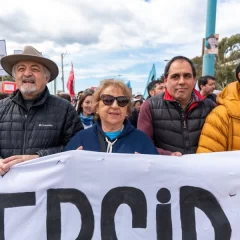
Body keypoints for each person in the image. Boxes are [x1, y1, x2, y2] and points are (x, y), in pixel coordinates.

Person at [0, 46, 83, 175]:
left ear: (46, 78)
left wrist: (40, 158)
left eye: (35, 69)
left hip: (49, 191)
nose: (27, 74)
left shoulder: (65, 109)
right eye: (21, 69)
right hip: (6, 192)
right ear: (15, 77)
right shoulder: (1, 107)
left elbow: (77, 149)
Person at [138, 56, 215, 156]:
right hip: (165, 169)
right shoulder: (149, 107)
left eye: (187, 76)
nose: (182, 81)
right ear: (165, 81)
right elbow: (142, 145)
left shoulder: (211, 107)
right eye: (175, 76)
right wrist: (168, 155)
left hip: (202, 170)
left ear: (194, 80)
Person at [65, 79, 159, 154]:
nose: (115, 106)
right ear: (97, 106)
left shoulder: (142, 141)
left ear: (127, 108)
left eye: (122, 101)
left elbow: (156, 175)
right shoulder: (81, 140)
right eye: (108, 100)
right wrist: (72, 164)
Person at [197, 64, 240, 152]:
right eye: (211, 84)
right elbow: (206, 161)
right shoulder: (220, 115)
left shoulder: (213, 99)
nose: (214, 86)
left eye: (214, 84)